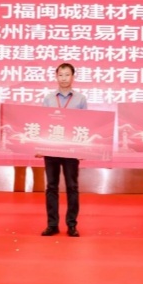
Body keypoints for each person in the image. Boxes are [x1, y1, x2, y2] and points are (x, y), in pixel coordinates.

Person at [39, 63, 87, 238]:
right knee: (51, 187)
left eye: (67, 75)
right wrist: (40, 146)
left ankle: (72, 225)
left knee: (72, 187)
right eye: (61, 75)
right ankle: (52, 225)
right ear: (56, 77)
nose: (64, 78)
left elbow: (84, 125)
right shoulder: (48, 98)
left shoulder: (80, 99)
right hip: (51, 148)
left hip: (71, 149)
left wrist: (82, 149)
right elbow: (43, 124)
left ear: (73, 77)